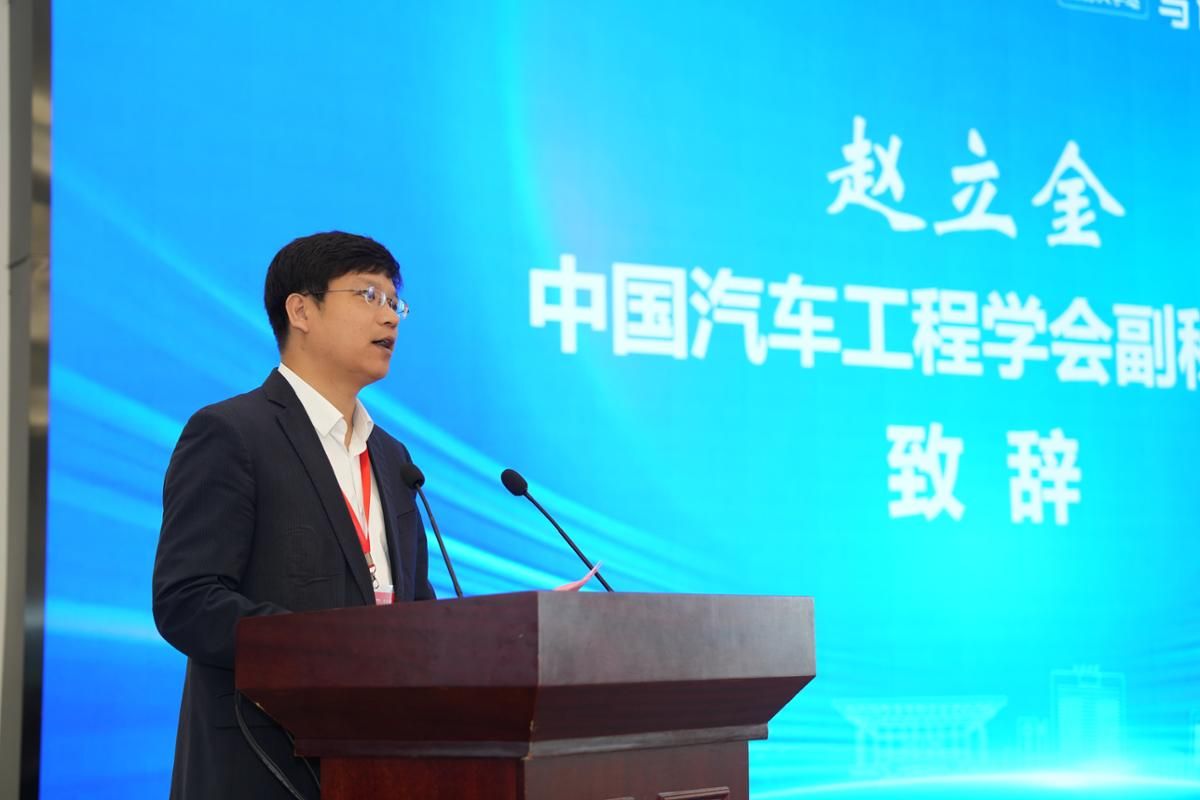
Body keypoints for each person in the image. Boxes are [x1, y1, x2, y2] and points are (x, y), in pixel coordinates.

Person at [152, 231, 435, 800]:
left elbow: (415, 609)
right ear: (301, 310)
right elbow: (188, 600)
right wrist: (325, 651)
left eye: (394, 302)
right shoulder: (232, 433)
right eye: (368, 295)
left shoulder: (393, 459)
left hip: (381, 763)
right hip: (263, 762)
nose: (390, 317)